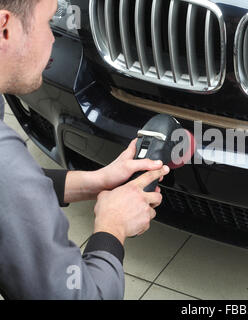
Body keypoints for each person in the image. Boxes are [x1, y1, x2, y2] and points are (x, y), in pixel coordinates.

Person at [0, 0, 170, 299]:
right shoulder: (5, 160)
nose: (53, 38)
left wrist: (95, 181)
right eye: (48, 22)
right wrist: (111, 227)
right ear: (5, 29)